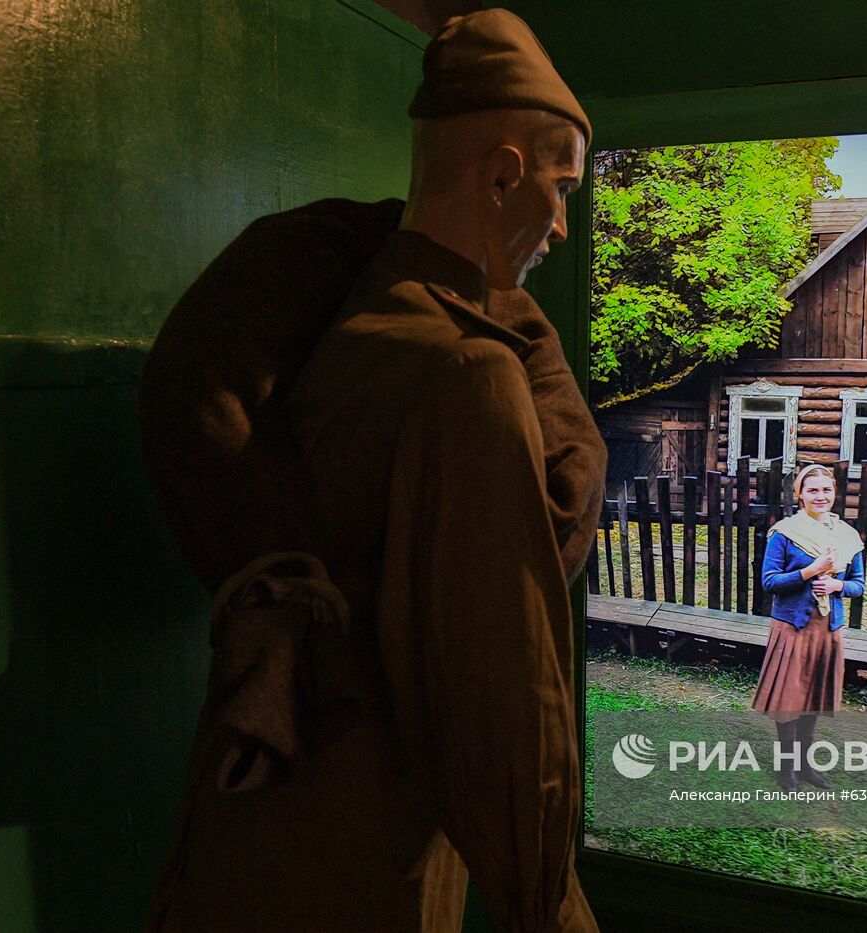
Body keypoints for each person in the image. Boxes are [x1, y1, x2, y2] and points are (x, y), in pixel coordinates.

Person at [139, 9, 605, 932]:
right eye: (560, 188)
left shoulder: (360, 328)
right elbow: (503, 701)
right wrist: (551, 906)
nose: (559, 224)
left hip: (262, 808)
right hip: (357, 833)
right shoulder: (470, 374)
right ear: (505, 172)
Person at [751, 463, 867, 792]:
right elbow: (769, 582)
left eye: (826, 490)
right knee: (790, 699)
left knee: (813, 698)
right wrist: (810, 571)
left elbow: (858, 585)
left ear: (835, 494)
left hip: (828, 629)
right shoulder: (785, 533)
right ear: (800, 495)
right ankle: (785, 768)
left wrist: (836, 587)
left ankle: (804, 765)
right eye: (812, 490)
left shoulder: (847, 536)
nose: (820, 496)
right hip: (792, 626)